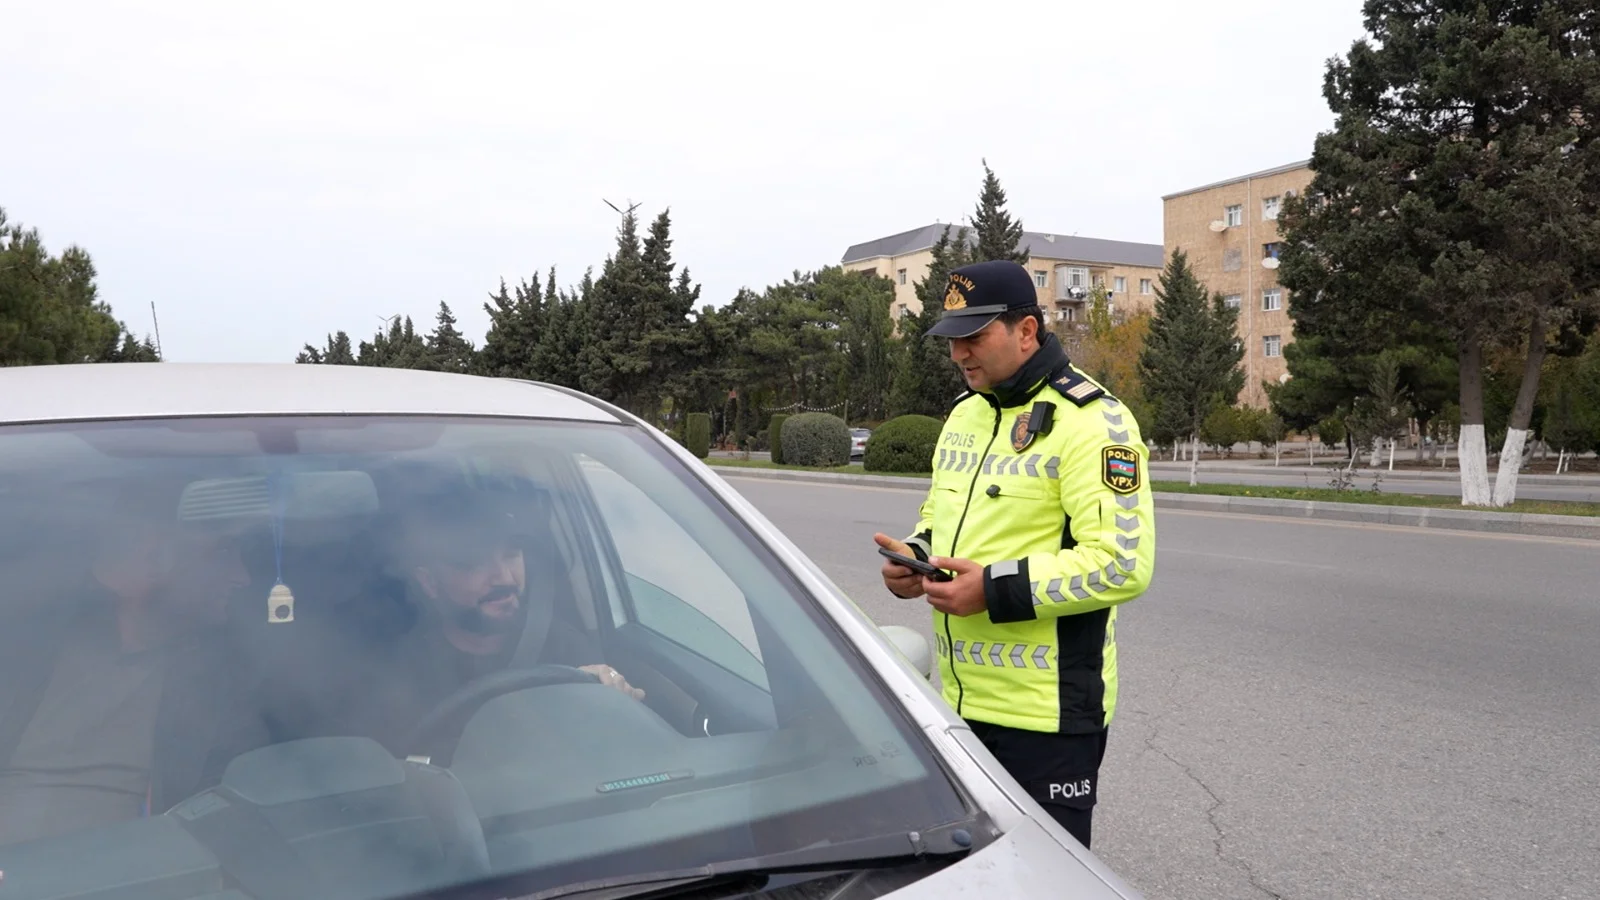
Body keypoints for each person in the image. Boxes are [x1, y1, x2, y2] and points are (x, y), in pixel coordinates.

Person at [873, 260, 1156, 849]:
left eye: (973, 338)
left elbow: (1121, 561)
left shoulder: (1094, 422)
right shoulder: (964, 414)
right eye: (952, 340)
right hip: (955, 703)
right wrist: (917, 555)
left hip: (1046, 719)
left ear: (1026, 331)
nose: (958, 354)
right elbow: (942, 516)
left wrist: (991, 588)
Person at [302, 483, 645, 754]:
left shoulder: (564, 645)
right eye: (473, 563)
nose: (504, 578)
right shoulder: (396, 673)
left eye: (511, 554)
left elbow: (605, 748)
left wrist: (611, 695)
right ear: (429, 582)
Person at [0, 482, 253, 846]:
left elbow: (228, 816)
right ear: (155, 557)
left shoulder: (220, 681)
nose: (242, 576)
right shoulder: (20, 642)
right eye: (223, 551)